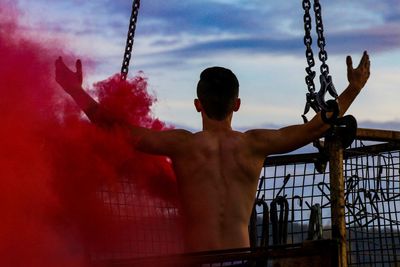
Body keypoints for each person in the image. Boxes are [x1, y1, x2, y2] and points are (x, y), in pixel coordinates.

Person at [55, 51, 370, 253]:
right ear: (237, 104)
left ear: (198, 105)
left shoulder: (181, 145)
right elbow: (316, 127)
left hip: (197, 261)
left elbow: (115, 130)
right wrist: (353, 88)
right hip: (238, 260)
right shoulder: (255, 144)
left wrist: (75, 90)